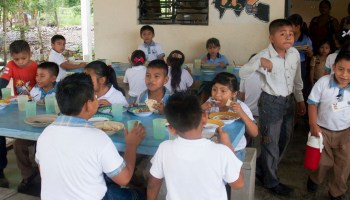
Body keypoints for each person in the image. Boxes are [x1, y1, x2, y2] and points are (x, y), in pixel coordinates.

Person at [35, 73, 146, 199]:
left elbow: (43, 169)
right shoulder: (98, 138)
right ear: (88, 105)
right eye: (95, 97)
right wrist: (131, 145)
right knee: (137, 195)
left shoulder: (45, 134)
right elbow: (124, 179)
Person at [239, 19, 306, 196]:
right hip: (270, 103)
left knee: (284, 140)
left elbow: (297, 79)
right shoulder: (264, 55)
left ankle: (262, 168)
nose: (288, 37)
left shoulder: (294, 54)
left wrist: (300, 100)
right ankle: (271, 181)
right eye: (282, 34)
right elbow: (242, 72)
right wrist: (258, 62)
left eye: (291, 34)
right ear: (271, 38)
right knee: (270, 143)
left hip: (288, 101)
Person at [147, 92, 244, 200]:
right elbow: (238, 184)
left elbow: (153, 185)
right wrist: (228, 146)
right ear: (204, 118)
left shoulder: (164, 148)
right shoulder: (222, 152)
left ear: (171, 129)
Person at [306, 51, 350, 200]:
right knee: (323, 162)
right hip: (322, 129)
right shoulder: (324, 82)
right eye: (341, 69)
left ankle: (336, 191)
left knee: (344, 164)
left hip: (346, 132)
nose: (344, 75)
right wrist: (313, 125)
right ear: (333, 67)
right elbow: (312, 103)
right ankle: (314, 179)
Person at [13, 62, 59, 194]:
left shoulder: (61, 91)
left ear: (53, 78)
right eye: (37, 75)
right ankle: (28, 175)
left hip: (54, 130)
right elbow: (29, 103)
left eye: (42, 76)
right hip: (35, 126)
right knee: (18, 144)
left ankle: (52, 178)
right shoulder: (35, 90)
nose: (38, 78)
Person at [0, 40, 38, 189]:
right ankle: (27, 173)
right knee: (20, 137)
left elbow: (42, 83)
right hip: (19, 106)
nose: (20, 62)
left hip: (36, 104)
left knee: (33, 136)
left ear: (30, 54)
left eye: (24, 58)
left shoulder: (36, 66)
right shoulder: (10, 66)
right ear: (11, 57)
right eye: (16, 59)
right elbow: (3, 82)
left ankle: (37, 168)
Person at [201, 72, 258, 161]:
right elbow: (194, 120)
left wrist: (241, 113)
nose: (217, 95)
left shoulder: (240, 106)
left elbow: (254, 133)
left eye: (223, 91)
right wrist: (202, 108)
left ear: (234, 94)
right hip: (213, 147)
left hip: (236, 150)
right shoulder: (210, 102)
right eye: (214, 89)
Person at [288, 14, 313, 94]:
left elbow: (311, 55)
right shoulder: (287, 36)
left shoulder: (305, 39)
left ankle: (298, 101)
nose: (289, 29)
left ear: (298, 26)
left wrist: (309, 51)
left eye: (291, 26)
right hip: (288, 63)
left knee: (299, 85)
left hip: (301, 64)